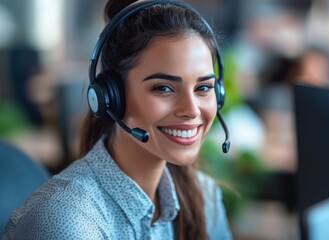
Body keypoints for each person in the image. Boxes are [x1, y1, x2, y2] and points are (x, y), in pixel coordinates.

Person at [2, 0, 232, 239]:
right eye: (164, 88)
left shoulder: (204, 197)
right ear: (112, 97)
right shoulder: (66, 220)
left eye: (203, 87)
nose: (191, 110)